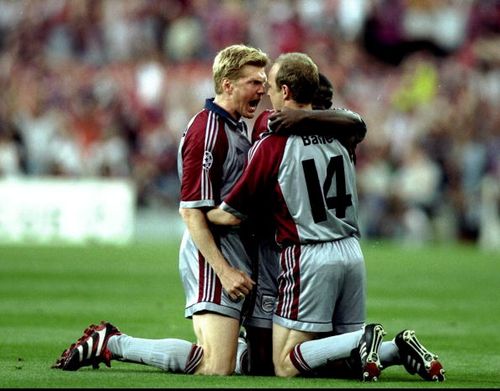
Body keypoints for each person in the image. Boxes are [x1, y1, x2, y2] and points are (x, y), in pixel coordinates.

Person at [210, 59, 445, 382]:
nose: (266, 92)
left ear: (286, 91)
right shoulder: (342, 136)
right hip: (351, 251)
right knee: (339, 359)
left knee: (284, 364)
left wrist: (194, 212)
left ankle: (364, 336)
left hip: (307, 254)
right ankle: (395, 349)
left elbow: (230, 212)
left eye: (272, 85)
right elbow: (355, 122)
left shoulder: (273, 139)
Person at [52, 44, 269, 375]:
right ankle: (111, 343)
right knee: (215, 366)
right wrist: (223, 270)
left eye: (264, 81)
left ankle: (230, 343)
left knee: (254, 362)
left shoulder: (237, 125)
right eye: (254, 81)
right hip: (212, 251)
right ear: (227, 84)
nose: (262, 88)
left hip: (238, 246)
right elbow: (191, 212)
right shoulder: (207, 131)